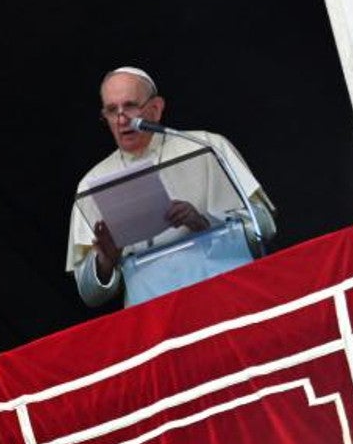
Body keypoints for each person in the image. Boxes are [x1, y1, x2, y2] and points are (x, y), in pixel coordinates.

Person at [66, 66, 275, 307]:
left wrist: (204, 223)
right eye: (112, 111)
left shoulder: (205, 146)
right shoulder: (91, 184)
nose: (122, 119)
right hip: (152, 313)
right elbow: (89, 294)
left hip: (225, 292)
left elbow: (265, 227)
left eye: (131, 106)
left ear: (156, 109)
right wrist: (105, 260)